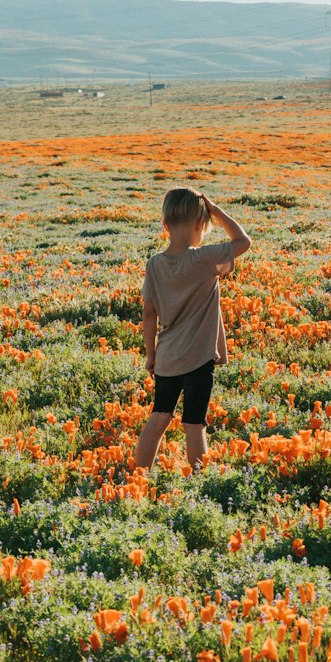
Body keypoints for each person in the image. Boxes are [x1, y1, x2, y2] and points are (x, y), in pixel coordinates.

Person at [133, 187, 250, 471]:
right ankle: (198, 481)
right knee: (194, 424)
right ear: (201, 224)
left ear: (165, 225)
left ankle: (137, 477)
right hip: (198, 357)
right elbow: (243, 242)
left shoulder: (154, 265)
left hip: (168, 357)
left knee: (159, 417)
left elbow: (149, 314)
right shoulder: (204, 259)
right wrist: (218, 212)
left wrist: (151, 354)